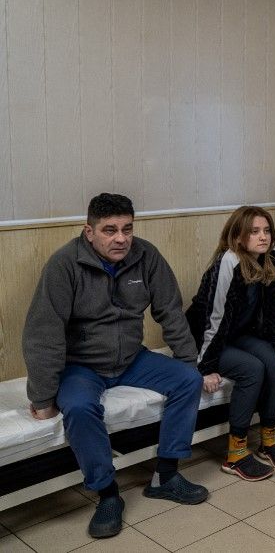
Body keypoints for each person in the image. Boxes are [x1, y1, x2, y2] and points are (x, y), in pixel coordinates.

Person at [22, 193, 208, 539]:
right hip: (82, 366)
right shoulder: (64, 265)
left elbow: (170, 310)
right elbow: (42, 334)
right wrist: (43, 398)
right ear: (89, 232)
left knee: (187, 380)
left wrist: (189, 362)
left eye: (127, 229)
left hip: (131, 358)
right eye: (109, 230)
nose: (121, 238)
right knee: (78, 406)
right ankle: (107, 494)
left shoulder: (146, 255)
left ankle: (165, 475)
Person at [186, 206, 275, 480]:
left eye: (267, 230)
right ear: (238, 236)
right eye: (254, 232)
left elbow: (274, 311)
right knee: (252, 369)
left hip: (241, 335)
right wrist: (205, 366)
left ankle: (268, 441)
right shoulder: (228, 261)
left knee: (272, 364)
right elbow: (214, 318)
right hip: (205, 338)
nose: (263, 237)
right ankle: (235, 454)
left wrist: (274, 346)